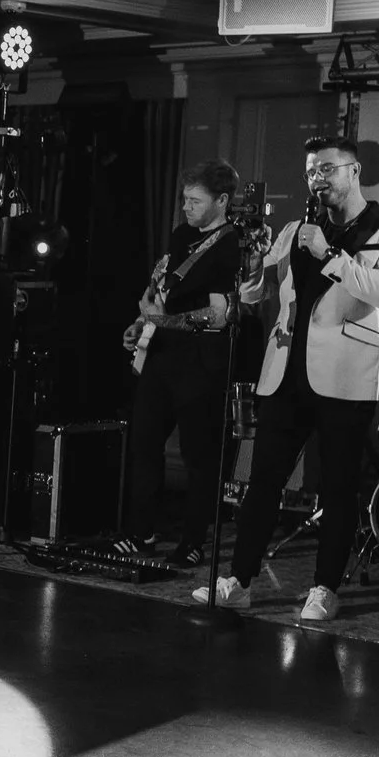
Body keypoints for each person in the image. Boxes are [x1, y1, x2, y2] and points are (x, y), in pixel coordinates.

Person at [195, 137, 379, 625]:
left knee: (338, 487)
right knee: (263, 482)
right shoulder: (298, 228)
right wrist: (254, 268)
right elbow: (256, 293)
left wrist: (332, 254)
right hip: (286, 371)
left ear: (354, 171)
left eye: (325, 169)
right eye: (310, 172)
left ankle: (324, 588)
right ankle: (239, 581)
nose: (316, 179)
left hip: (347, 377)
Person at [116, 161, 246, 567]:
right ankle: (142, 533)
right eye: (184, 199)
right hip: (162, 355)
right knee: (143, 443)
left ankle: (192, 541)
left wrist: (163, 320)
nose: (187, 207)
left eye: (195, 201)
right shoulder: (182, 234)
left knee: (199, 455)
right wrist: (141, 323)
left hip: (201, 362)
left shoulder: (232, 244)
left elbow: (221, 313)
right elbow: (162, 287)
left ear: (222, 201)